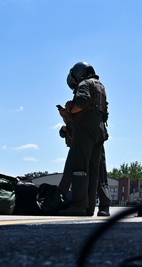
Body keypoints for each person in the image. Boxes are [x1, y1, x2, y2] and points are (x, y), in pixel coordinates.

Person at [56, 62, 108, 216]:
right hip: (99, 130)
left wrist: (70, 110)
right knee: (94, 172)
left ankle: (79, 206)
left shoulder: (85, 83)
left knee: (80, 168)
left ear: (78, 73)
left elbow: (82, 101)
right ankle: (90, 207)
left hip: (85, 130)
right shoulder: (100, 86)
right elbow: (105, 113)